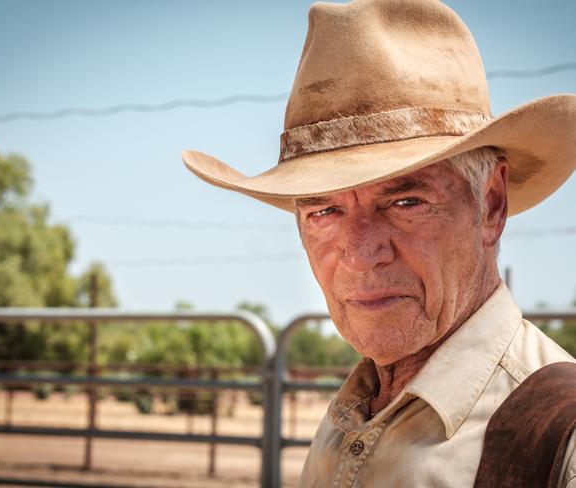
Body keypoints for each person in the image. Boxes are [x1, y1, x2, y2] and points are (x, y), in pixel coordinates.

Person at [182, 0, 576, 486]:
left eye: (406, 201)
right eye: (324, 211)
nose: (361, 253)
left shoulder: (560, 438)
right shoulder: (354, 412)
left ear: (490, 205)